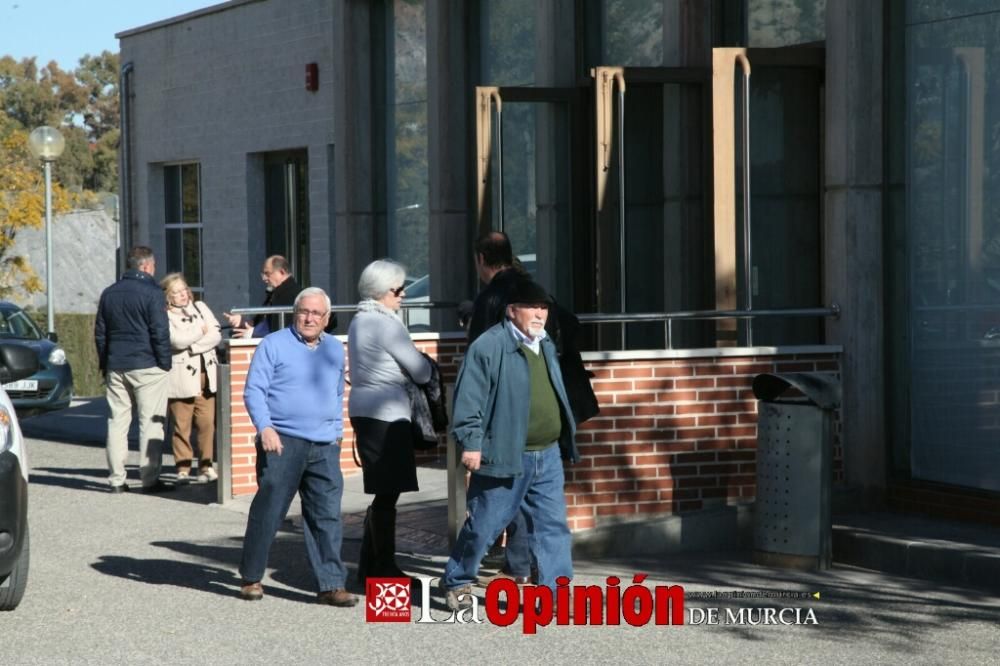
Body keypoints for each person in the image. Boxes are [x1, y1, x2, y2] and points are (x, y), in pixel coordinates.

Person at [441, 278, 579, 611]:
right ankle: (458, 580)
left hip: (546, 453)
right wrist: (471, 444)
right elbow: (469, 400)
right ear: (512, 310)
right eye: (532, 307)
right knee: (486, 523)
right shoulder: (489, 346)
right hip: (504, 452)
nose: (539, 314)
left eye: (544, 307)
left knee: (552, 527)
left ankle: (556, 594)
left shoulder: (544, 343)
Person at [238, 287, 356, 607]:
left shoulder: (334, 348)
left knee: (327, 516)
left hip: (324, 445)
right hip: (282, 442)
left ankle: (331, 584)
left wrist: (336, 433)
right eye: (304, 311)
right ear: (295, 313)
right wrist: (265, 428)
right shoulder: (273, 344)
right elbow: (254, 391)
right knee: (269, 512)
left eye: (317, 313)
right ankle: (251, 577)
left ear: (327, 318)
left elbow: (335, 393)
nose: (309, 318)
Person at [348, 259, 431, 583]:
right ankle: (382, 567)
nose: (403, 294)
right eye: (398, 289)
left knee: (384, 490)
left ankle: (371, 565)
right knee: (388, 491)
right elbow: (421, 370)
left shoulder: (359, 320)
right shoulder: (387, 323)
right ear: (383, 292)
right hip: (388, 412)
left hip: (363, 409)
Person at [94, 246, 173, 494]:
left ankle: (117, 479)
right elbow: (159, 332)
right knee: (150, 424)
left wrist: (105, 363)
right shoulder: (153, 293)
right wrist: (165, 363)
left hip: (117, 364)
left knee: (117, 422)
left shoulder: (109, 293)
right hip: (147, 364)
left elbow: (100, 333)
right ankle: (149, 479)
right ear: (147, 266)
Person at [161, 273, 222, 483]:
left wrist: (194, 346)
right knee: (182, 425)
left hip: (206, 374)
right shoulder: (165, 315)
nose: (183, 295)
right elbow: (176, 341)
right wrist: (199, 332)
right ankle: (183, 468)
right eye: (176, 292)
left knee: (207, 424)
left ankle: (206, 466)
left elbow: (215, 333)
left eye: (184, 289)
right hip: (181, 376)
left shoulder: (201, 307)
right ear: (169, 296)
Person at [223, 255, 302, 338]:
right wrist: (242, 321)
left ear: (281, 272)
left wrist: (253, 333)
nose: (264, 278)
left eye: (267, 273)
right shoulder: (276, 293)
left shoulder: (292, 295)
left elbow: (279, 327)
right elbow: (261, 322)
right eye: (263, 274)